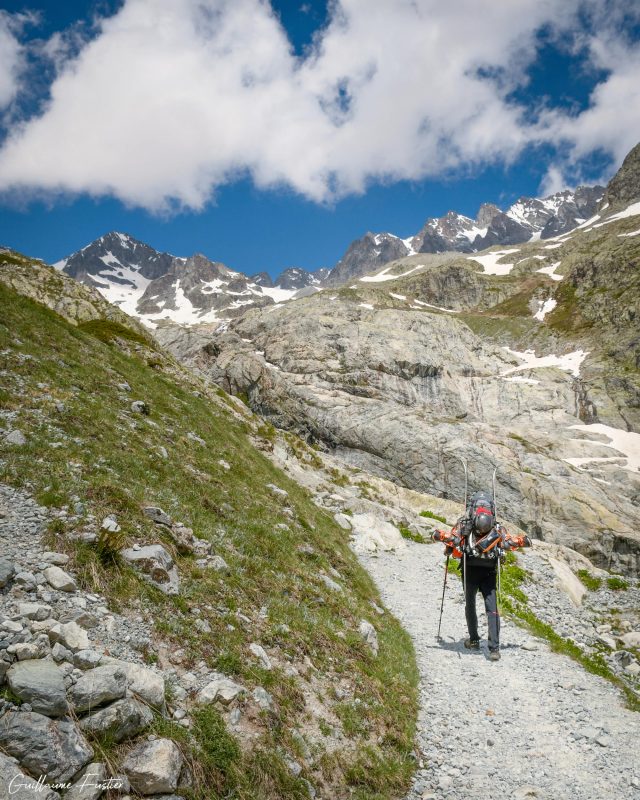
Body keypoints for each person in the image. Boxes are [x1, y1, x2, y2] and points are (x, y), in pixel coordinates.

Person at [433, 489, 531, 661]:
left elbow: (453, 540)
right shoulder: (497, 527)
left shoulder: (464, 524)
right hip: (489, 572)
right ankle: (494, 649)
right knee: (492, 609)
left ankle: (474, 640)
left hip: (469, 569)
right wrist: (523, 541)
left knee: (470, 605)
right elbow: (508, 543)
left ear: (472, 508)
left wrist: (439, 537)